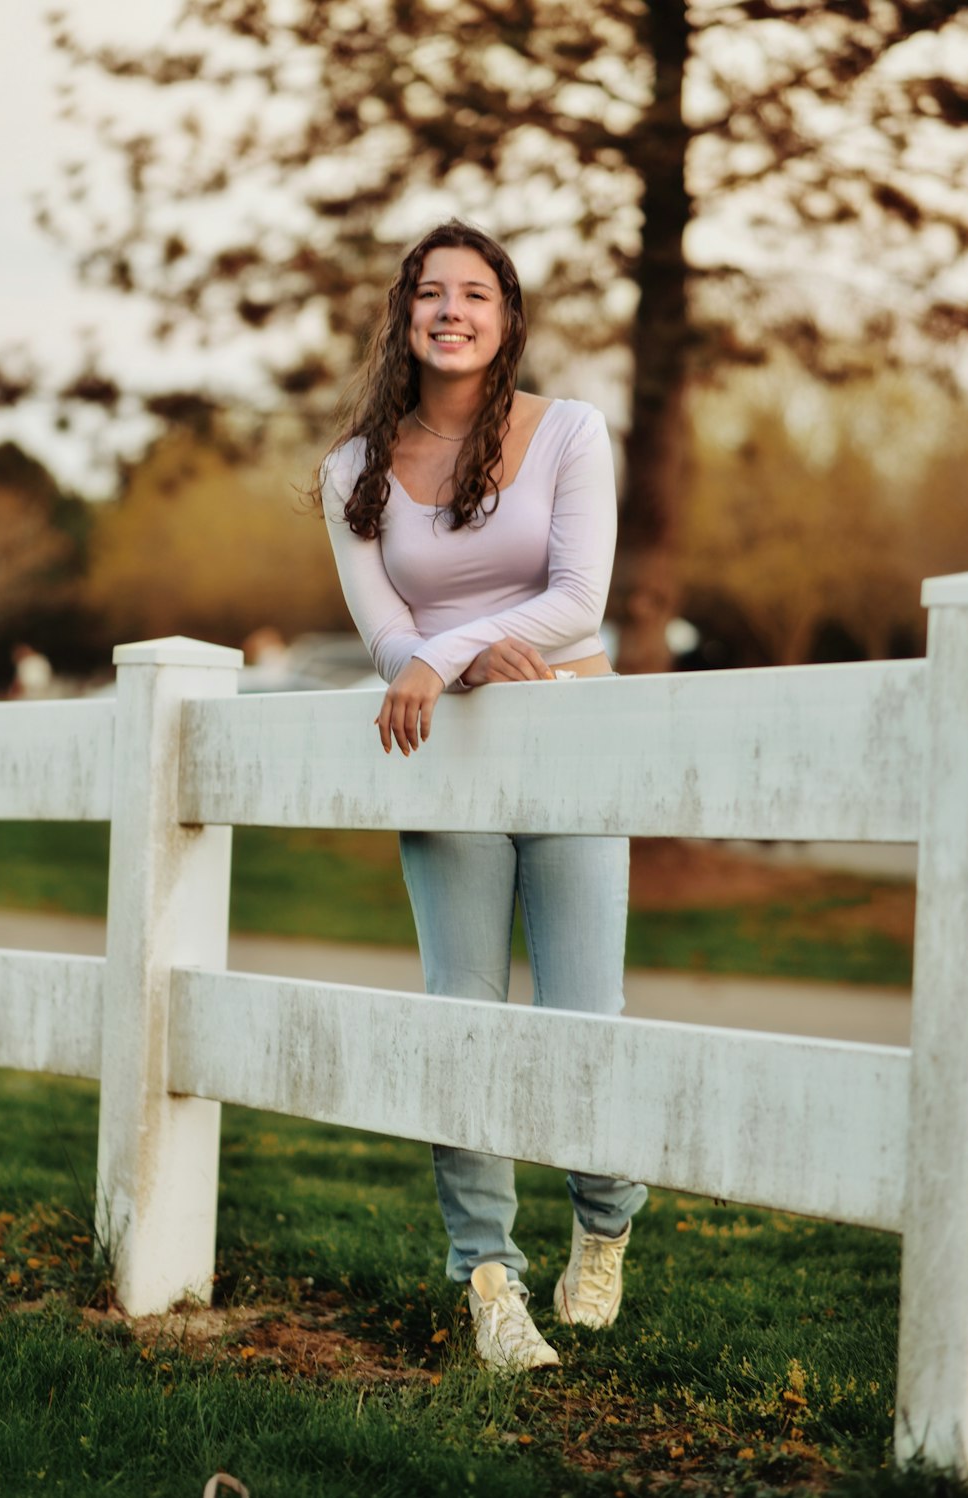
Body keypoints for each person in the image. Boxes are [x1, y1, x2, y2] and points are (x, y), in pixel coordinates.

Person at [317, 220, 647, 1372]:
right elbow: (383, 633)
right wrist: (449, 661)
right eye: (429, 293)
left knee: (580, 1020)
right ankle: (489, 1278)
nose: (450, 310)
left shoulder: (567, 432)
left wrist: (452, 652)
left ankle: (604, 1220)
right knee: (464, 1017)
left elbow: (577, 599)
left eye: (475, 294)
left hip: (571, 742)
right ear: (404, 317)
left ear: (505, 320)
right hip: (446, 761)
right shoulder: (351, 471)